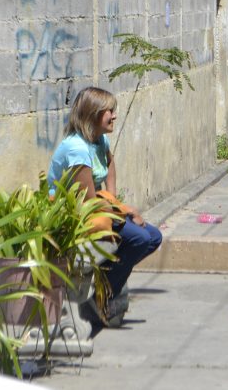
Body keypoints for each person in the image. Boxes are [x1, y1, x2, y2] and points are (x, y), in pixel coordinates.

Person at [48, 86, 162, 326]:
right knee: (139, 239)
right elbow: (88, 201)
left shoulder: (99, 139)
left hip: (96, 206)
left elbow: (109, 162)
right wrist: (126, 211)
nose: (114, 115)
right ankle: (101, 297)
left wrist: (113, 198)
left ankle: (104, 285)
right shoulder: (77, 149)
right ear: (92, 115)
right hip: (74, 214)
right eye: (108, 111)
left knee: (153, 236)